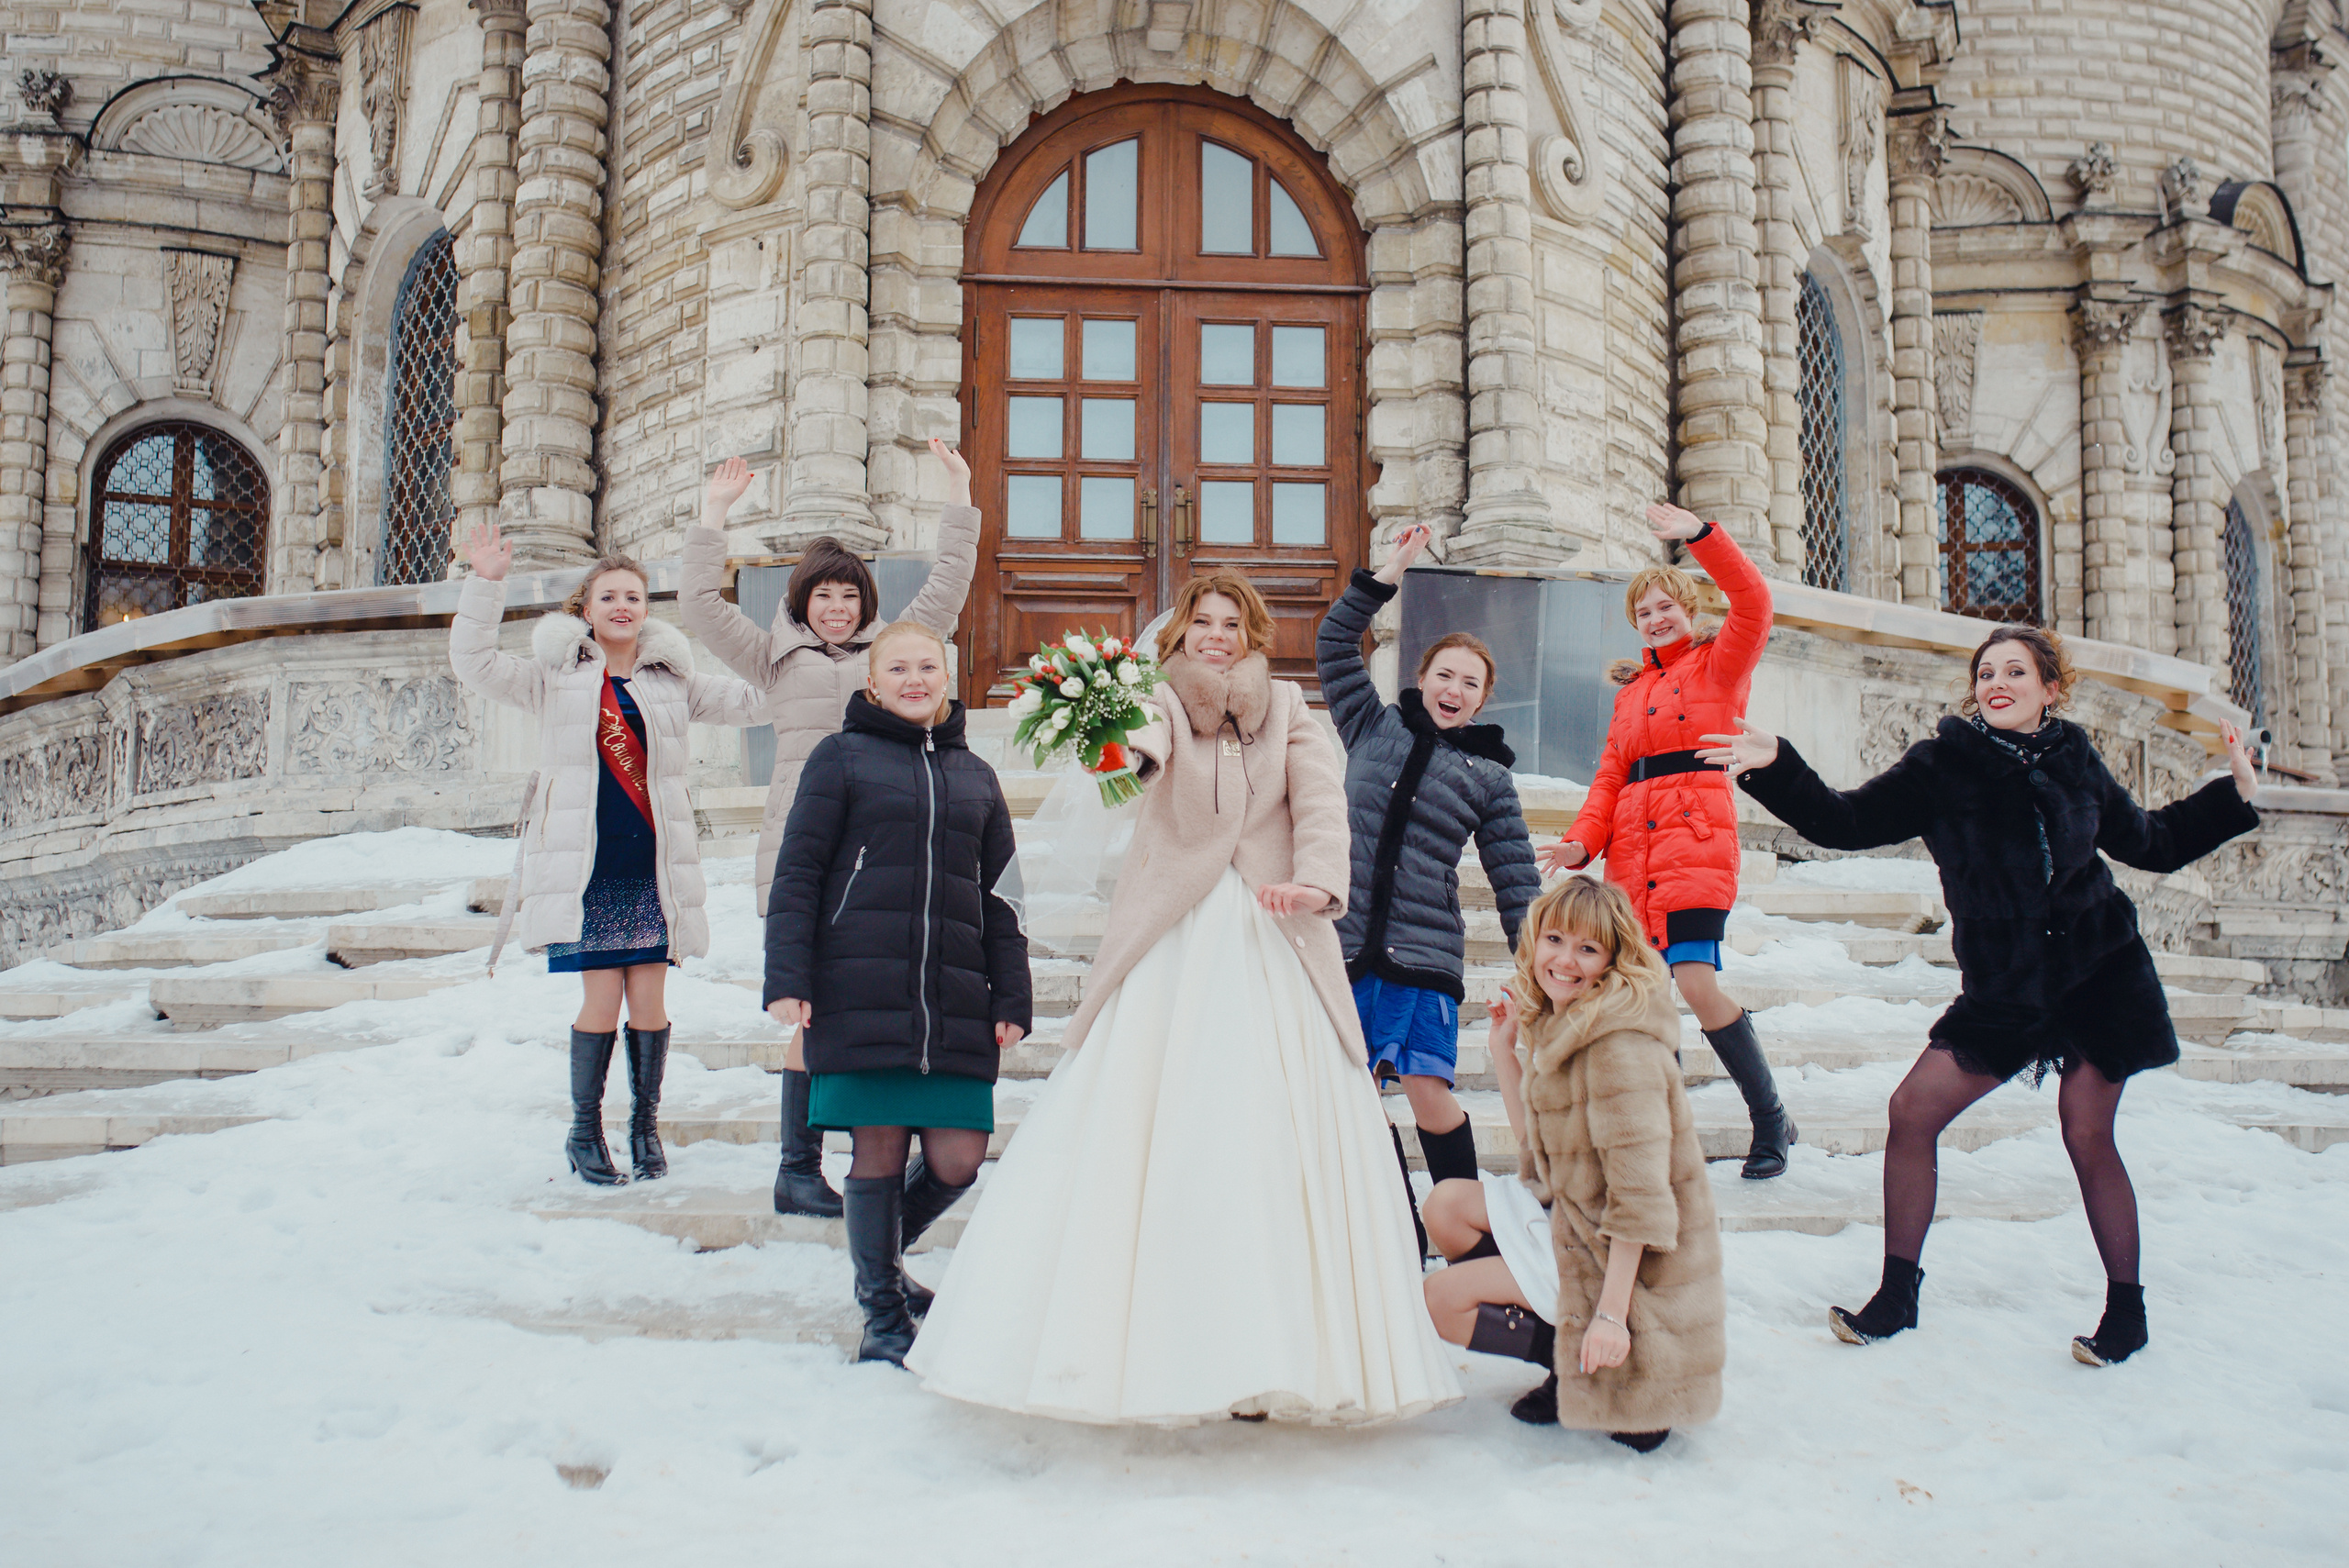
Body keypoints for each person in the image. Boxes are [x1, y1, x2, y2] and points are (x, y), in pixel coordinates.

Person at [904, 573, 1462, 1425]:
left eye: (1230, 622)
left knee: (1276, 1126)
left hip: (1273, 932)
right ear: (1181, 635)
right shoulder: (1157, 698)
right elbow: (1140, 750)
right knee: (1157, 1118)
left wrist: (1315, 884)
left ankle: (1285, 1350)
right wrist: (1115, 747)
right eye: (1201, 621)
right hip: (1176, 931)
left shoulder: (1289, 708)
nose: (1214, 634)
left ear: (1252, 632)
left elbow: (1321, 805)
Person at [1700, 625, 2261, 1365]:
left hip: (2102, 970)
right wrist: (1778, 767)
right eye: (1986, 671)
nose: (1998, 682)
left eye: (2016, 671)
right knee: (1911, 1110)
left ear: (2049, 688)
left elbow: (2149, 841)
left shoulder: (2077, 757)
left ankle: (2127, 1310)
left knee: (2087, 1131)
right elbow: (1848, 820)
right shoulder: (1943, 764)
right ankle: (1897, 1295)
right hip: (2007, 985)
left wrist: (2236, 796)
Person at [686, 440, 981, 1221]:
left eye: (850, 595)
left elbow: (949, 585)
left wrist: (958, 493)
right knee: (812, 1012)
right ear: (800, 601)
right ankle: (797, 1167)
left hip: (884, 853)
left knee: (873, 1008)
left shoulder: (897, 651)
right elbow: (699, 608)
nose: (838, 607)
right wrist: (713, 517)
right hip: (805, 848)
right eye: (824, 596)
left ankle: (875, 1163)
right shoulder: (773, 658)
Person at [451, 525, 763, 1184]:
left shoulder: (672, 680)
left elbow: (752, 699)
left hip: (652, 866)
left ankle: (644, 1127)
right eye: (609, 596)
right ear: (585, 610)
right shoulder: (554, 678)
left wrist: (817, 662)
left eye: (635, 596)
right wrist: (485, 584)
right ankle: (583, 1131)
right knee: (601, 1001)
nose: (623, 606)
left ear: (648, 611)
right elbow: (475, 663)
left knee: (650, 1001)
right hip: (587, 869)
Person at [763, 619, 1032, 1364]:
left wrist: (1011, 992)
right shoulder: (840, 758)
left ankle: (879, 1257)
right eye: (900, 669)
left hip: (954, 999)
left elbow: (1004, 897)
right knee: (875, 1153)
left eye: (929, 667)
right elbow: (800, 872)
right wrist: (789, 976)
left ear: (947, 680)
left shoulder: (976, 775)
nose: (916, 680)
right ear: (872, 683)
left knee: (958, 1158)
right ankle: (882, 1313)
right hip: (859, 985)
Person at [1538, 502, 1797, 1180]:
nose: (1657, 619)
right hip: (1632, 855)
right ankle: (1661, 1140)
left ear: (1688, 610)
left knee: (1697, 983)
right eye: (1644, 612)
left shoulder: (1719, 664)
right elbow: (1608, 777)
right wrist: (1578, 844)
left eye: (1666, 607)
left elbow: (1755, 599)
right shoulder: (1631, 696)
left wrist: (1702, 536)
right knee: (1646, 997)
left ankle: (1771, 1118)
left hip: (1696, 844)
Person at [1425, 875, 1723, 1451]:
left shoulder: (1618, 1050)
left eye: (1587, 948)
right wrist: (1504, 1054)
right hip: (1576, 1219)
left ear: (1612, 961)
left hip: (1626, 1259)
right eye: (1555, 939)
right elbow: (1541, 1156)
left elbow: (1640, 1203)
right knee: (1445, 1205)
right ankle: (1572, 1357)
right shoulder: (1568, 1022)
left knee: (1441, 1299)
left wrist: (1611, 1315)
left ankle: (1615, 1374)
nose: (1564, 960)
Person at [1316, 521, 1541, 1247]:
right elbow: (1330, 645)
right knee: (1354, 1094)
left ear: (1482, 700)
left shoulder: (1490, 778)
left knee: (1427, 1091)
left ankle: (1466, 1231)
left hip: (1425, 951)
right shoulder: (1370, 725)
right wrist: (1389, 572)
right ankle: (1400, 1229)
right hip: (1344, 943)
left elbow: (1514, 879)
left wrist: (1539, 966)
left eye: (1469, 683)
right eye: (1444, 673)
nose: (1454, 688)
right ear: (1421, 678)